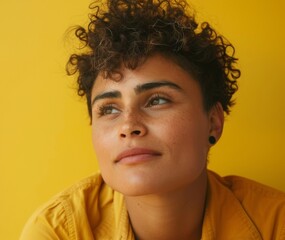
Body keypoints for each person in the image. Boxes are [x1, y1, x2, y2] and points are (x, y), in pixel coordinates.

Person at [20, 0, 285, 239]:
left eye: (157, 100)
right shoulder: (59, 232)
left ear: (213, 122)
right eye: (109, 109)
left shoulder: (275, 225)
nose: (128, 126)